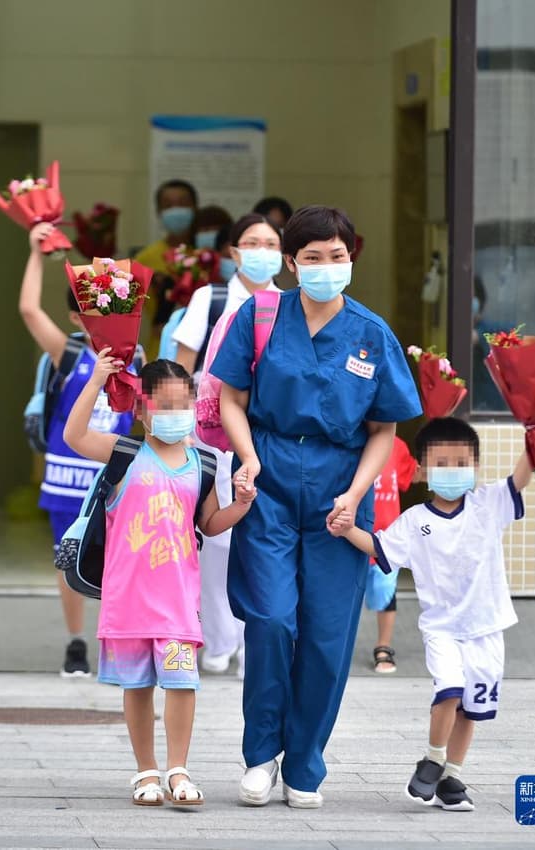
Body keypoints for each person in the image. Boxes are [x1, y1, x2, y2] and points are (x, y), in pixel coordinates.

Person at [210, 205, 422, 807]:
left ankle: (304, 763)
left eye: (337, 256)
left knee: (328, 637)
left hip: (340, 489)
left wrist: (356, 497)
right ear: (290, 263)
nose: (326, 266)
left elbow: (384, 429)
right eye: (311, 257)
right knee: (272, 619)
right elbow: (230, 398)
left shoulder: (371, 332)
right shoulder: (260, 314)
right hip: (269, 481)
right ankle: (261, 756)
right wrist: (248, 460)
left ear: (351, 257)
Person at [63, 354, 255, 807]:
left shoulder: (204, 463)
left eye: (182, 404)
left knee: (182, 682)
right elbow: (74, 436)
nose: (175, 414)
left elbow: (208, 523)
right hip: (128, 602)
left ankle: (178, 770)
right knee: (138, 687)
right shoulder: (124, 453)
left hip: (176, 603)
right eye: (164, 405)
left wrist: (242, 504)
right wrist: (96, 381)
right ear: (141, 409)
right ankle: (146, 773)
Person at [328, 416, 532, 812]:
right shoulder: (415, 521)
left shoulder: (488, 505)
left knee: (471, 706)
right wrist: (347, 528)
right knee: (449, 690)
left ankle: (451, 778)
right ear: (421, 470)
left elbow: (522, 476)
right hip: (441, 628)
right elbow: (378, 547)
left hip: (487, 628)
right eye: (442, 463)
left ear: (475, 467)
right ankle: (433, 759)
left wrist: (534, 434)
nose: (453, 471)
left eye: (462, 463)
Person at [18, 223, 136, 678]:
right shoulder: (67, 353)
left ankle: (119, 638)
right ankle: (76, 642)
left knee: (125, 558)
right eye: (89, 309)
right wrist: (34, 252)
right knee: (70, 557)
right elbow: (29, 309)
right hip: (67, 475)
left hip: (117, 474)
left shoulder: (135, 355)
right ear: (75, 317)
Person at [173, 214, 282, 676]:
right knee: (216, 538)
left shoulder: (291, 303)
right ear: (234, 252)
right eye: (252, 243)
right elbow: (181, 368)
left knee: (263, 535)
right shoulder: (213, 299)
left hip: (270, 434)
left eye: (271, 243)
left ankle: (253, 640)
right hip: (212, 436)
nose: (262, 251)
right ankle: (219, 641)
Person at [133, 179, 199, 359]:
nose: (176, 210)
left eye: (183, 204)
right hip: (160, 350)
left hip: (204, 351)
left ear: (195, 208)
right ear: (159, 212)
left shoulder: (207, 256)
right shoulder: (144, 260)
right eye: (168, 205)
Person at [369, 435, 417, 674]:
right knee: (342, 599)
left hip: (386, 539)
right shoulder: (347, 440)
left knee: (386, 594)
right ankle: (336, 650)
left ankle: (383, 646)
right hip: (349, 536)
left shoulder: (397, 446)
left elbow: (412, 476)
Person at [472, 276, 509, 411]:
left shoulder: (491, 329)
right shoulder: (455, 333)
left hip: (491, 408)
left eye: (473, 296)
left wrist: (480, 338)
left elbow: (512, 335)